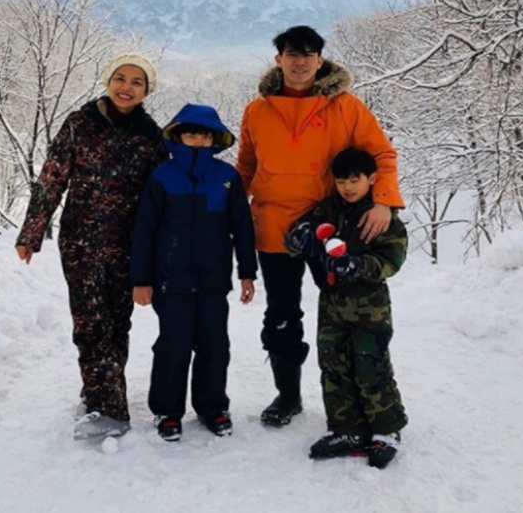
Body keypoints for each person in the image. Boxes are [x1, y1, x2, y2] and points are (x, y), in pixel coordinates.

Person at [236, 25, 405, 427]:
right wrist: (217, 210)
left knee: (349, 315)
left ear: (320, 59)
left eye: (309, 53)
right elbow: (246, 167)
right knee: (281, 314)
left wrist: (383, 201)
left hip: (332, 227)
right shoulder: (257, 110)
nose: (300, 61)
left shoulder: (345, 106)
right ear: (278, 59)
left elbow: (381, 154)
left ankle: (362, 401)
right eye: (292, 53)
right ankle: (288, 396)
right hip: (275, 227)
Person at [15, 53, 167, 440]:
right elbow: (52, 179)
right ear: (107, 80)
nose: (126, 87)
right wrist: (32, 233)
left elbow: (160, 198)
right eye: (120, 78)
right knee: (89, 325)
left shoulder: (151, 136)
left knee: (118, 325)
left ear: (146, 90)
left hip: (128, 246)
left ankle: (100, 389)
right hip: (80, 243)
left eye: (137, 82)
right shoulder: (79, 124)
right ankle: (109, 411)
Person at [129, 103, 257, 442]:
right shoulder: (162, 176)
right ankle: (167, 411)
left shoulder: (228, 178)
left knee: (215, 344)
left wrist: (247, 272)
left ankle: (212, 407)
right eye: (191, 132)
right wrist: (140, 279)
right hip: (171, 281)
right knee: (174, 345)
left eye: (204, 134)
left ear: (214, 138)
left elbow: (242, 228)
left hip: (214, 282)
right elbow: (144, 230)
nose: (197, 139)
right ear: (177, 134)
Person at [285, 147, 408, 468]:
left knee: (371, 366)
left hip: (370, 306)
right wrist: (300, 239)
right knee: (334, 366)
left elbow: (391, 259)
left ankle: (385, 430)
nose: (348, 187)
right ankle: (346, 429)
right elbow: (296, 237)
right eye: (341, 181)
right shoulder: (328, 209)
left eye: (355, 180)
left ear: (371, 179)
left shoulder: (382, 217)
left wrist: (358, 265)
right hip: (332, 305)